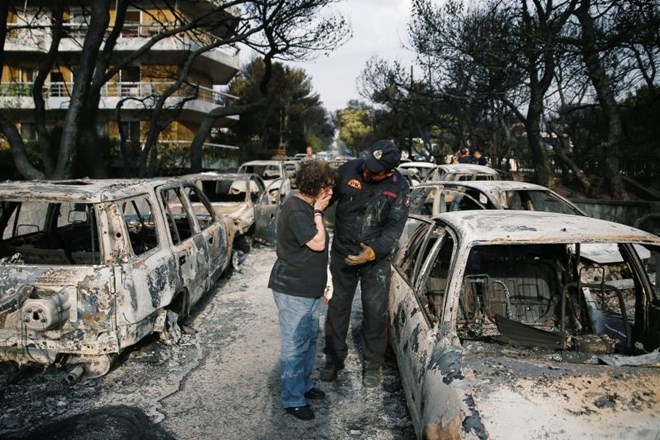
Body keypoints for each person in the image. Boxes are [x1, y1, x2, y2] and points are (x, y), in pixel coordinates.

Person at [321, 139, 410, 388]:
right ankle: (334, 361)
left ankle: (372, 365)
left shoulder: (400, 188)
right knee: (337, 308)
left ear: (390, 171)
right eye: (368, 164)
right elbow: (325, 199)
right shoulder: (349, 170)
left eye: (375, 170)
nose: (367, 171)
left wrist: (372, 252)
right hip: (342, 254)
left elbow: (393, 230)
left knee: (374, 312)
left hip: (375, 261)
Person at [268, 160, 335, 421]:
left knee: (309, 341)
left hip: (310, 287)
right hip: (293, 288)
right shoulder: (298, 209)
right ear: (315, 187)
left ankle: (303, 387)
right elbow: (318, 244)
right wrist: (319, 213)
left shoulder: (306, 205)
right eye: (328, 187)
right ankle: (292, 399)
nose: (331, 192)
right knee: (295, 345)